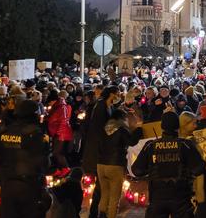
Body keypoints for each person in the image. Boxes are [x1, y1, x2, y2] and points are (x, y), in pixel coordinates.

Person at [132, 111, 206, 218]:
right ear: (177, 127)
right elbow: (199, 169)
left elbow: (137, 170)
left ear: (162, 127)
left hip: (157, 198)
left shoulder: (151, 145)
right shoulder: (185, 145)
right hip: (181, 199)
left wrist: (152, 168)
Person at [0, 100, 51, 218]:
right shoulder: (35, 133)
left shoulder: (5, 131)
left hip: (7, 182)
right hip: (29, 185)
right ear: (34, 114)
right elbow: (43, 162)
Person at [97, 109, 143, 218]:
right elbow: (131, 141)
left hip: (101, 165)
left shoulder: (103, 128)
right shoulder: (121, 129)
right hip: (115, 165)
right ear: (122, 118)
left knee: (104, 194)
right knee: (114, 198)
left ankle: (101, 216)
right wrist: (139, 128)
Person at [82, 85, 119, 218]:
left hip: (104, 150)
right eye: (117, 94)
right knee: (100, 186)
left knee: (101, 185)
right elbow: (100, 128)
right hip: (99, 151)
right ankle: (95, 212)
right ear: (112, 94)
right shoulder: (101, 106)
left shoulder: (109, 106)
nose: (118, 96)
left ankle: (98, 211)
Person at [48, 90, 73, 177]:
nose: (49, 105)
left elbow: (62, 121)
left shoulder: (61, 107)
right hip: (59, 132)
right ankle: (60, 169)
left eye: (50, 102)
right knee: (57, 152)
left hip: (61, 133)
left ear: (53, 101)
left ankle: (65, 169)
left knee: (57, 153)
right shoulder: (59, 106)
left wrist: (58, 133)